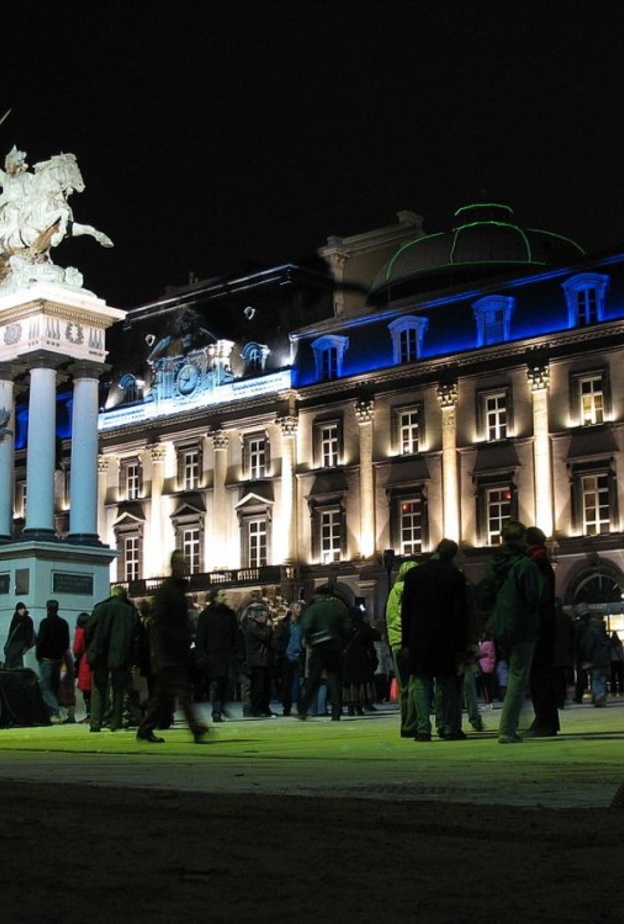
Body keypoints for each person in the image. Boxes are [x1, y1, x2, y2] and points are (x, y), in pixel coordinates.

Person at [478, 520, 543, 744]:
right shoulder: (525, 565)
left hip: (501, 625)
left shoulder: (493, 564)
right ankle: (507, 729)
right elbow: (534, 597)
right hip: (522, 624)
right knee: (518, 676)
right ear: (521, 539)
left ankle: (509, 725)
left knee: (511, 673)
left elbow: (485, 592)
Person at [401, 539, 471, 741]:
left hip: (419, 637)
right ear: (452, 555)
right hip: (446, 636)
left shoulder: (414, 575)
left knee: (421, 682)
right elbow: (460, 613)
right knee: (445, 682)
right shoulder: (455, 576)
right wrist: (462, 643)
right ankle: (447, 727)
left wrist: (406, 642)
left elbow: (407, 611)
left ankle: (423, 728)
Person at [136, 551, 209, 743]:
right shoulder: (168, 591)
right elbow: (159, 624)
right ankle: (195, 728)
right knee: (181, 693)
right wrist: (163, 651)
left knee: (164, 696)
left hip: (175, 651)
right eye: (182, 564)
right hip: (170, 653)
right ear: (174, 566)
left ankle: (145, 728)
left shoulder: (175, 590)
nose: (185, 567)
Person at [86, 585, 141, 733]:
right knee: (118, 689)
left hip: (100, 653)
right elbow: (138, 635)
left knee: (98, 688)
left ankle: (95, 722)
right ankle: (116, 722)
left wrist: (90, 650)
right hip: (122, 654)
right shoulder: (130, 611)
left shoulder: (100, 608)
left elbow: (88, 630)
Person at [525, 526, 560, 737]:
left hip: (539, 627)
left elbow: (536, 596)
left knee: (539, 676)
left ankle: (545, 722)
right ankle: (546, 720)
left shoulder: (536, 563)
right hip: (544, 625)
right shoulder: (542, 561)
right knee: (541, 675)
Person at [298, 585, 352, 721]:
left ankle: (303, 710)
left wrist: (310, 641)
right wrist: (342, 642)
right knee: (334, 680)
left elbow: (306, 626)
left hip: (318, 647)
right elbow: (347, 625)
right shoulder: (338, 607)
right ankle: (336, 711)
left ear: (317, 595)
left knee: (313, 679)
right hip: (334, 646)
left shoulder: (314, 608)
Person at [385, 559, 419, 737]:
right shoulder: (413, 591)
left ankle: (404, 723)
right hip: (411, 642)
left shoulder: (393, 592)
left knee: (402, 685)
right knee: (415, 684)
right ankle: (412, 724)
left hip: (396, 643)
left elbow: (390, 619)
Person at [195, 587, 237, 723]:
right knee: (215, 684)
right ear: (215, 597)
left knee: (226, 683)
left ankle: (221, 706)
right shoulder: (206, 615)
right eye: (222, 595)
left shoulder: (229, 614)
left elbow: (236, 635)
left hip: (227, 654)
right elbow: (201, 637)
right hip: (213, 654)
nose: (225, 597)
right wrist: (201, 655)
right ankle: (216, 711)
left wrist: (237, 651)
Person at [35, 600, 70, 724]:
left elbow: (41, 641)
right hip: (58, 659)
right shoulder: (63, 623)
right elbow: (66, 643)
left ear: (47, 609)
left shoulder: (45, 623)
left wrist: (39, 655)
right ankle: (53, 713)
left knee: (45, 688)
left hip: (46, 659)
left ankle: (56, 711)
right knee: (54, 686)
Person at [244, 602, 275, 717]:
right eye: (262, 614)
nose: (265, 616)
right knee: (258, 687)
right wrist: (269, 627)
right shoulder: (253, 626)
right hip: (257, 660)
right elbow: (265, 636)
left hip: (264, 660)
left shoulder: (258, 626)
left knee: (265, 686)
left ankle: (264, 708)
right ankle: (256, 709)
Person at [577, 609, 610, 707]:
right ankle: (601, 696)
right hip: (604, 659)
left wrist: (586, 658)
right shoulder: (603, 629)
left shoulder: (591, 630)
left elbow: (589, 646)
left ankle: (598, 697)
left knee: (596, 679)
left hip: (595, 659)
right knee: (602, 678)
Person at [281, 601, 305, 717]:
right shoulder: (285, 624)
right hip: (287, 657)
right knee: (287, 685)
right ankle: (287, 708)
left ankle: (300, 708)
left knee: (299, 684)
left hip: (298, 657)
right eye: (297, 607)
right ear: (291, 610)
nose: (300, 609)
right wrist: (284, 652)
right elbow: (278, 640)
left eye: (300, 607)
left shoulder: (302, 624)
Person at [72, 612, 93, 722]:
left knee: (86, 691)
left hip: (85, 662)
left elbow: (77, 649)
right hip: (94, 661)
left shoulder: (80, 631)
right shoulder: (94, 630)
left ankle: (89, 714)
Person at [3, 601, 34, 669]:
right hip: (13, 641)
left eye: (23, 609)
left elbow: (29, 633)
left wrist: (27, 646)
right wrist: (8, 642)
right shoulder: (14, 619)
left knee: (13, 655)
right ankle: (15, 669)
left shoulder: (28, 620)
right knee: (14, 656)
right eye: (20, 609)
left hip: (21, 641)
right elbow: (11, 632)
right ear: (17, 610)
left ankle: (12, 668)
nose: (22, 611)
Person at [609, 631, 624, 697]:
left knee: (613, 677)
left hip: (612, 662)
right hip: (619, 662)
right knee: (620, 676)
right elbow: (622, 653)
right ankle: (621, 688)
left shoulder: (610, 644)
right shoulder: (619, 643)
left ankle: (613, 689)